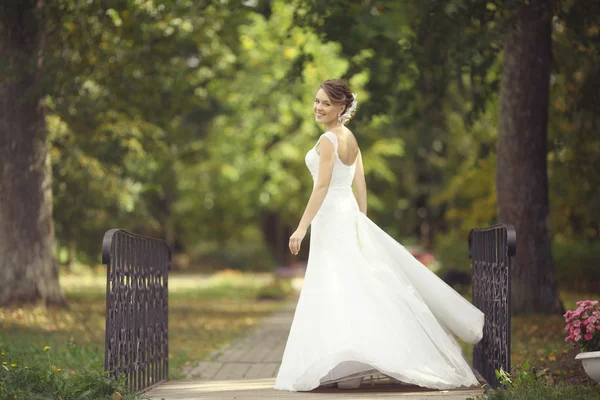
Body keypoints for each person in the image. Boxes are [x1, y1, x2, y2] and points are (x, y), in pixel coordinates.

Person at [273, 79, 485, 392]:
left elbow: (321, 186)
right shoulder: (350, 137)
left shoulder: (329, 140)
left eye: (326, 103)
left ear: (342, 108)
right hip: (346, 215)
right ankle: (350, 365)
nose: (319, 107)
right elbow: (361, 184)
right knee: (354, 285)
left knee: (336, 285)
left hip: (331, 216)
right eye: (317, 101)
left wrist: (301, 227)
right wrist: (361, 219)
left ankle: (349, 363)